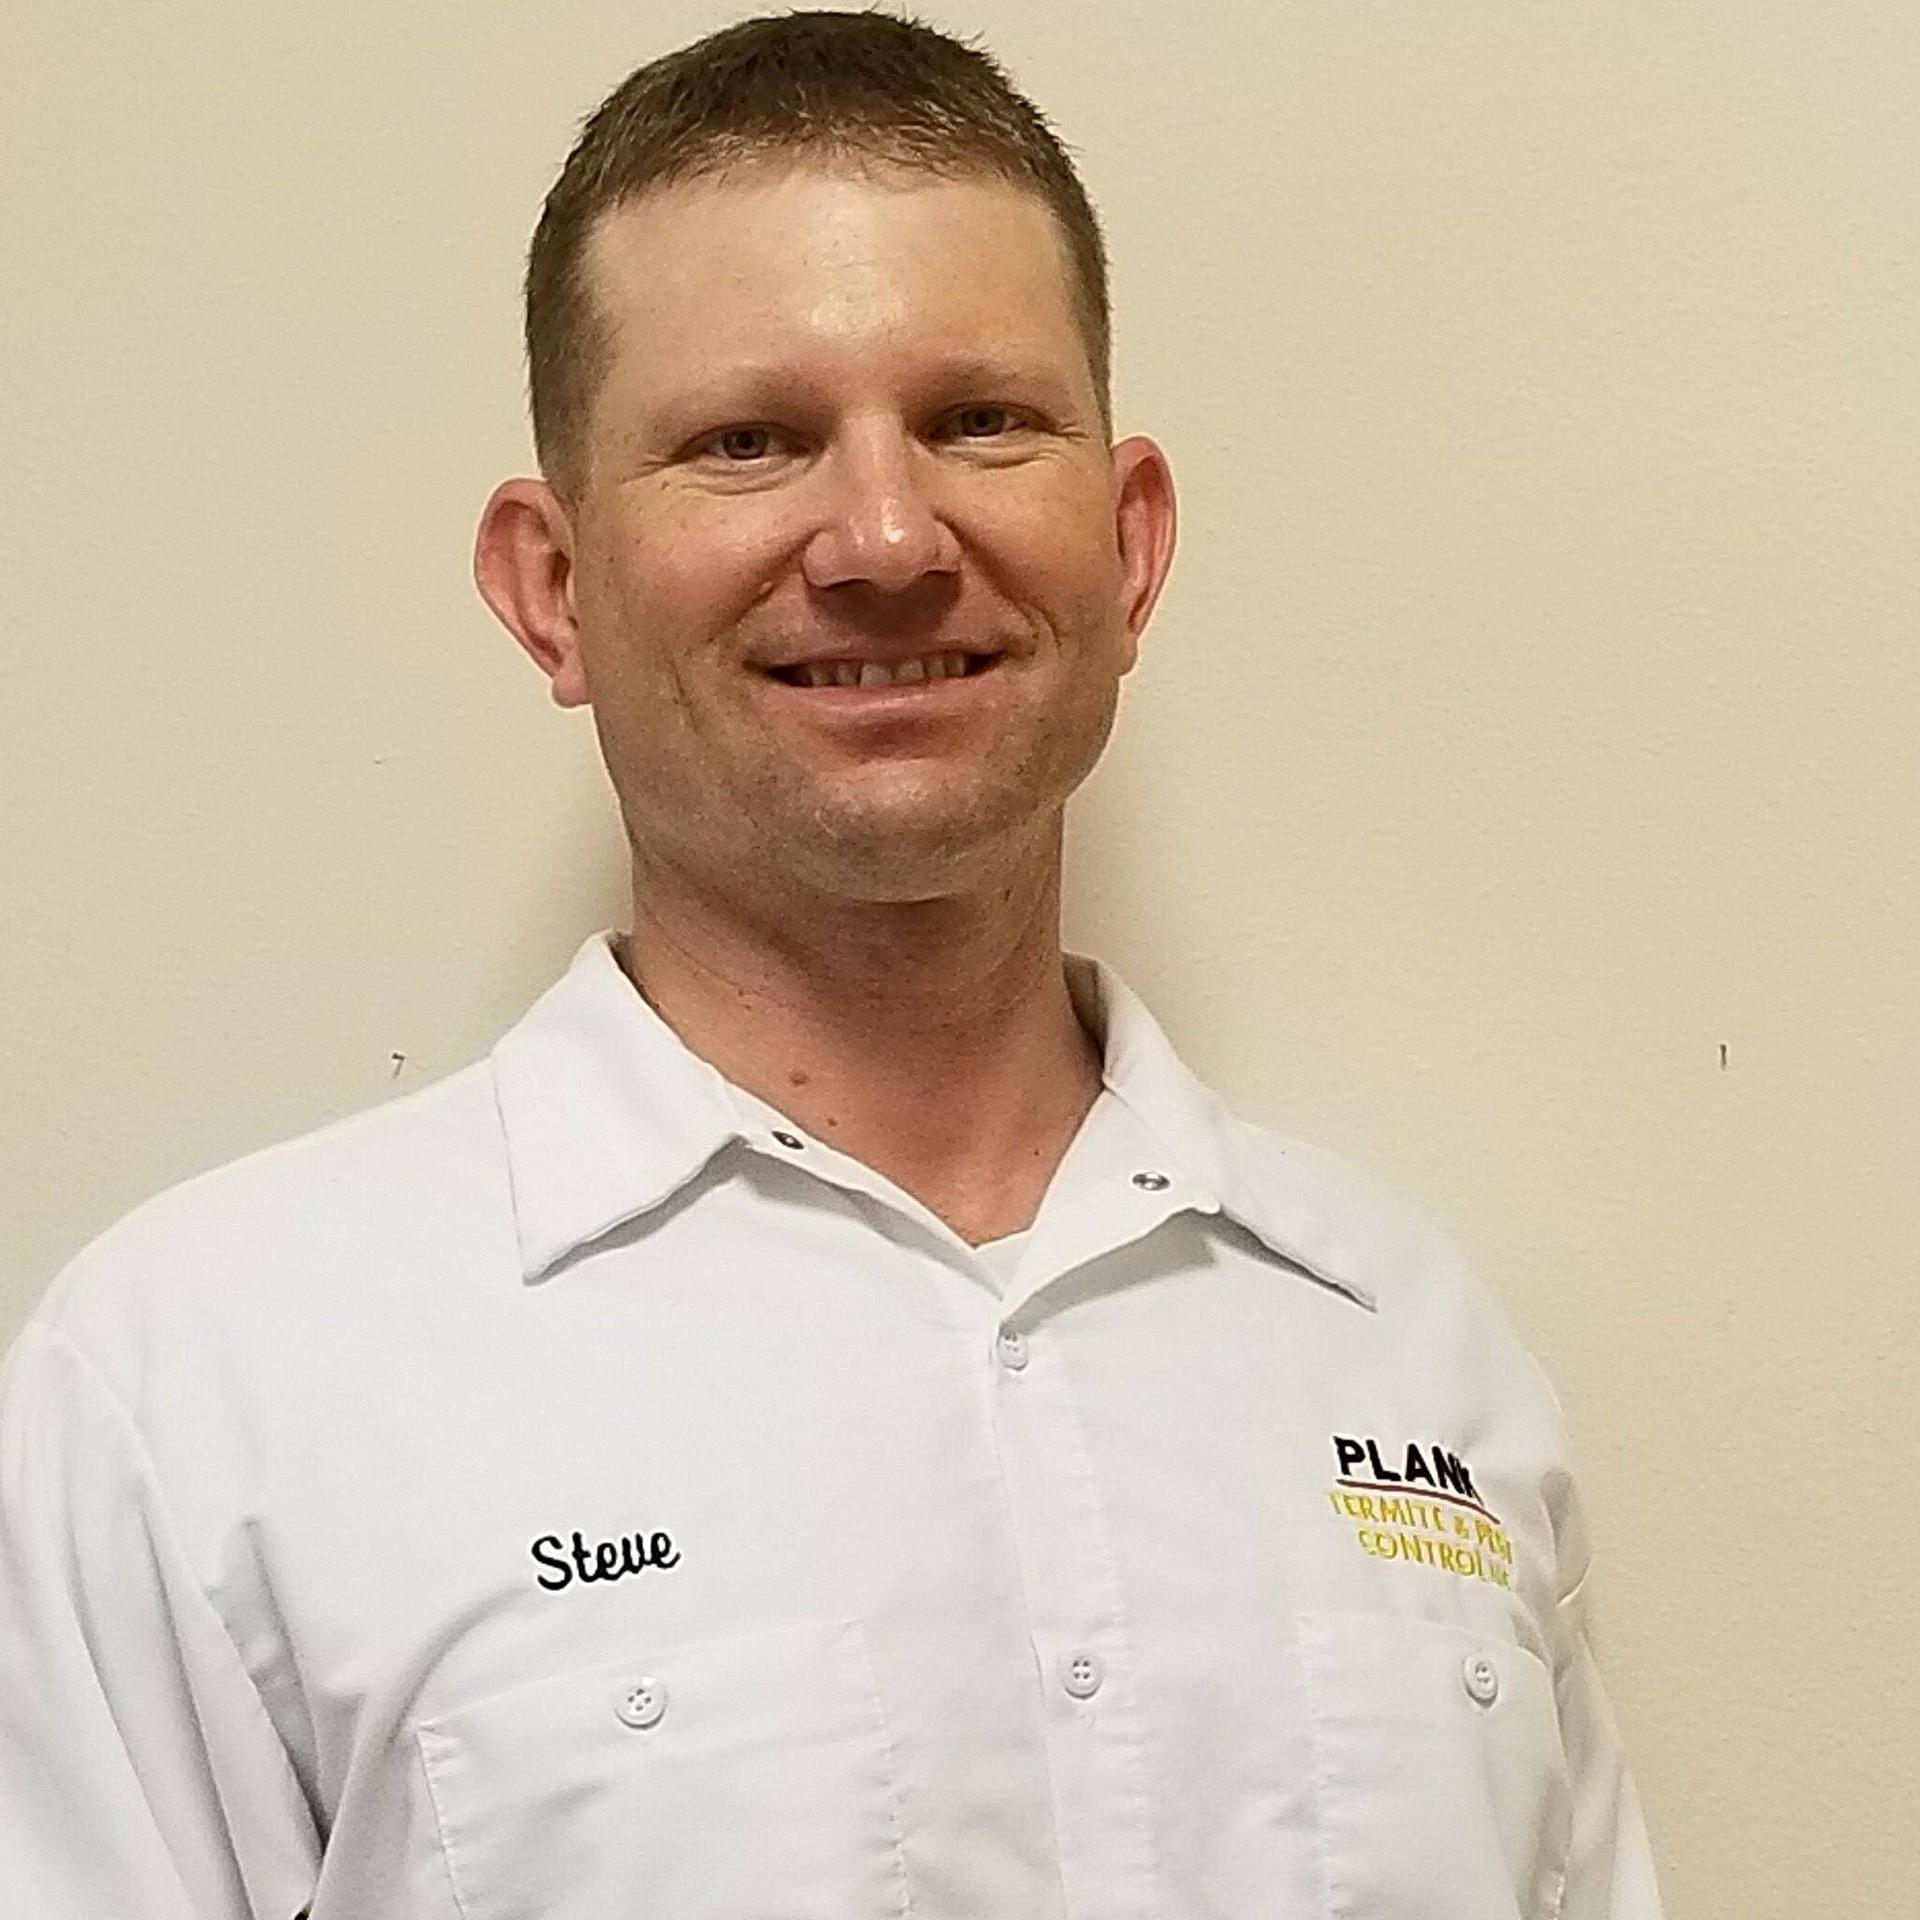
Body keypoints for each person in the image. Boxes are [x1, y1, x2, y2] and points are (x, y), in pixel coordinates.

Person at [0, 11, 1664, 1916]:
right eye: (748, 441)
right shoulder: (204, 1390)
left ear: (1130, 547)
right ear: (554, 589)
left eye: (981, 421)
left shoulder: (1411, 1345)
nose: (884, 536)